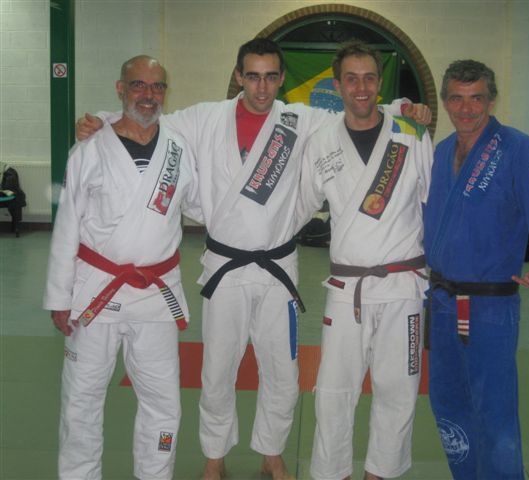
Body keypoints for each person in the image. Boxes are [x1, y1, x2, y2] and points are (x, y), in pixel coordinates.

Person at [76, 38, 431, 480]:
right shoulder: (206, 117)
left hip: (277, 269)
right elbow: (150, 116)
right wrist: (103, 120)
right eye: (253, 76)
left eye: (270, 77)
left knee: (282, 370)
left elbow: (361, 110)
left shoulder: (299, 119)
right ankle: (214, 456)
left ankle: (272, 453)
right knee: (217, 369)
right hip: (224, 268)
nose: (262, 87)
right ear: (239, 77)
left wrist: (406, 108)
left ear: (281, 79)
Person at [43, 55, 202, 479]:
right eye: (138, 85)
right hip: (96, 290)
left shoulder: (179, 148)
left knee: (163, 402)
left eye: (157, 86)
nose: (148, 95)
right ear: (120, 88)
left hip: (156, 294)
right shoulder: (90, 148)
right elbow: (67, 225)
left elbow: (200, 204)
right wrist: (59, 296)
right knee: (81, 399)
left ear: (166, 92)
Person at [423, 59, 529, 479]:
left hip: (490, 307)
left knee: (495, 414)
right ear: (445, 101)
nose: (466, 109)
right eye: (457, 98)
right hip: (442, 302)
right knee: (448, 406)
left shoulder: (519, 149)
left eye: (476, 98)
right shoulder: (440, 152)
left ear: (491, 100)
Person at [296, 41, 434, 480]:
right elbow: (298, 206)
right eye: (351, 79)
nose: (361, 87)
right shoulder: (321, 142)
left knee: (399, 389)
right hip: (347, 288)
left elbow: (433, 201)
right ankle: (332, 472)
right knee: (333, 391)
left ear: (380, 82)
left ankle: (381, 473)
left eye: (370, 78)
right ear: (337, 85)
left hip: (403, 286)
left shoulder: (410, 133)